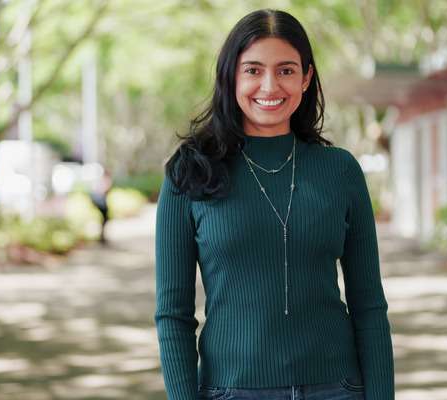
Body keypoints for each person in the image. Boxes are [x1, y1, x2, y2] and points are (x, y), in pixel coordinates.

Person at [154, 8, 394, 400]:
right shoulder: (189, 173)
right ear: (231, 75)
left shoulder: (341, 171)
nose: (270, 85)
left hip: (337, 389)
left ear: (306, 78)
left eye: (285, 70)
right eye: (252, 70)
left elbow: (369, 306)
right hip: (230, 390)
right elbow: (173, 316)